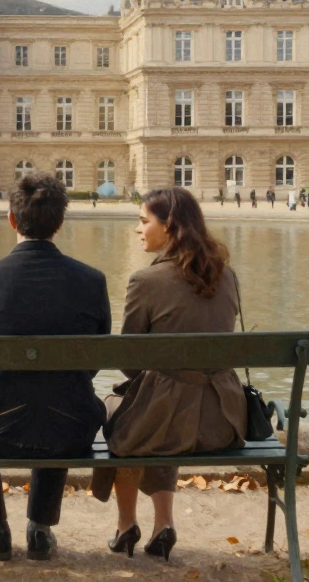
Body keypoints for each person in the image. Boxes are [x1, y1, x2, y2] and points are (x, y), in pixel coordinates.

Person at [0, 172, 110, 562]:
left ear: (12, 219)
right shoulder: (92, 281)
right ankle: (40, 530)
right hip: (71, 429)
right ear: (60, 224)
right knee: (63, 391)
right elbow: (94, 358)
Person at [91, 188, 245, 563]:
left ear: (169, 226)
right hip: (222, 422)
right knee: (162, 406)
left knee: (126, 411)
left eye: (144, 221)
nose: (137, 229)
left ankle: (126, 525)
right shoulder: (229, 276)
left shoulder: (146, 281)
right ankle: (164, 524)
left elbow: (129, 361)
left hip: (169, 422)